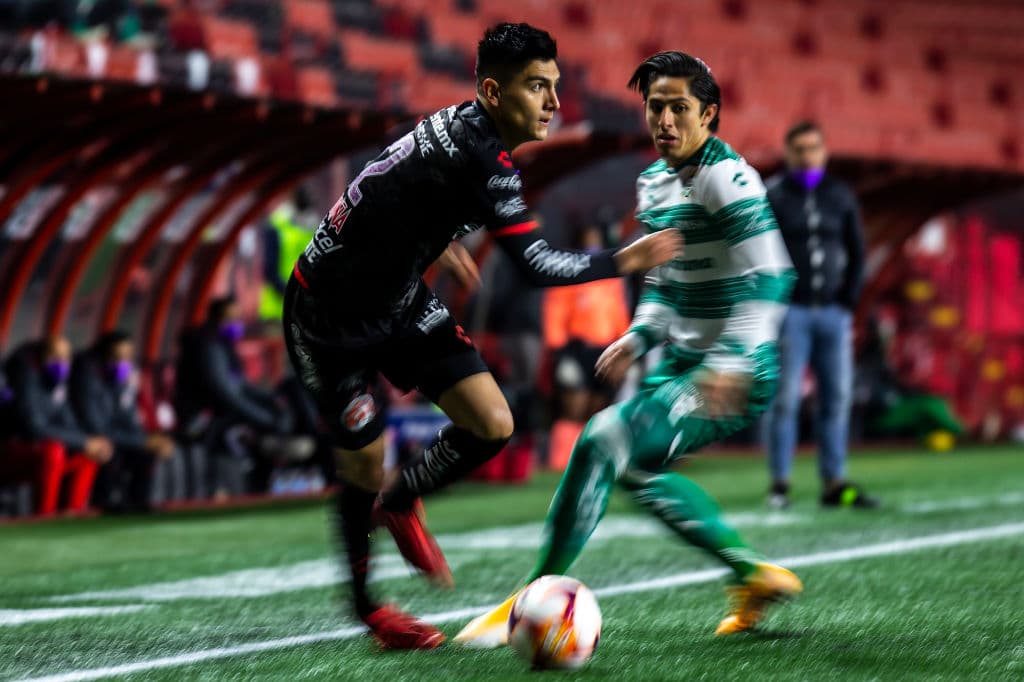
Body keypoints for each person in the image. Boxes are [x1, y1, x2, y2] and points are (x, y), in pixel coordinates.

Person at [282, 23, 680, 650]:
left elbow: (389, 180)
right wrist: (626, 260)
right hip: (328, 317)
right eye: (537, 87)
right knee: (361, 463)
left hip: (399, 297)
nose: (553, 102)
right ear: (494, 92)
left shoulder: (468, 132)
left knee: (493, 424)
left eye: (555, 86)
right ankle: (370, 610)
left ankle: (403, 498)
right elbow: (537, 265)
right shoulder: (483, 159)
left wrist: (429, 243)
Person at [455, 51, 803, 647]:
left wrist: (731, 361)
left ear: (709, 113)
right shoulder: (653, 182)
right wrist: (639, 333)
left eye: (679, 108)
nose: (665, 120)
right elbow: (664, 282)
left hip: (737, 366)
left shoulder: (726, 175)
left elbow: (772, 275)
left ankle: (531, 599)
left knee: (603, 438)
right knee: (638, 467)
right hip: (679, 363)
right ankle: (752, 573)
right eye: (655, 107)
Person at [764, 121, 878, 510]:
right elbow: (759, 250)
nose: (807, 156)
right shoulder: (775, 194)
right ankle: (779, 483)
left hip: (832, 312)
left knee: (837, 398)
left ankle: (834, 481)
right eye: (799, 149)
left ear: (824, 151)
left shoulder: (840, 195)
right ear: (788, 153)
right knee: (785, 400)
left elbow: (857, 251)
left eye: (813, 148)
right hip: (790, 311)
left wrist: (848, 300)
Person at [0, 336, 113, 515]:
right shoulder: (23, 376)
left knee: (88, 454)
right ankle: (46, 517)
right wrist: (83, 442)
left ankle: (73, 515)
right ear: (39, 357)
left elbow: (69, 423)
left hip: (36, 452)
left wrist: (90, 443)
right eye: (54, 356)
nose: (61, 363)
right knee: (54, 450)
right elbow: (33, 427)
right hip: (9, 451)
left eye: (66, 357)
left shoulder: (55, 384)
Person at [70, 331, 177, 512]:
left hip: (115, 435)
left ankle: (139, 503)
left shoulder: (122, 379)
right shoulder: (86, 377)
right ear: (103, 357)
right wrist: (142, 441)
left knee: (146, 452)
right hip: (89, 436)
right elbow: (95, 425)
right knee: (111, 448)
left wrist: (146, 440)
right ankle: (105, 503)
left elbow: (128, 417)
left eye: (127, 357)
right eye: (117, 357)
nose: (123, 362)